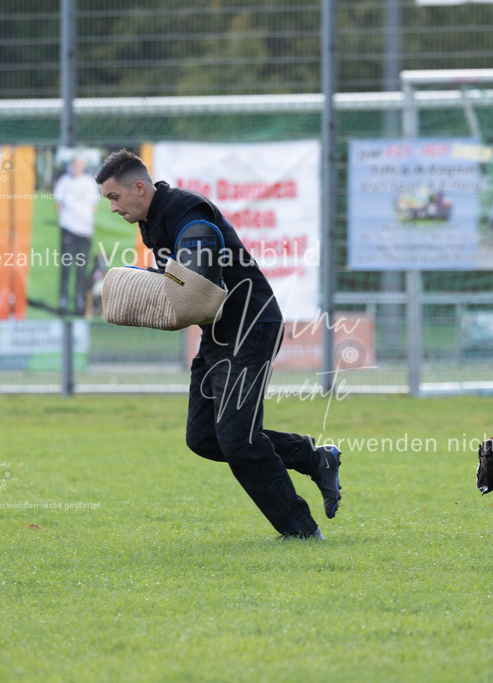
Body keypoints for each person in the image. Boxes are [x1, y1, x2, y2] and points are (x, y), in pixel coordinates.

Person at [94, 149, 341, 540]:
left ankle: (301, 531)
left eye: (113, 197)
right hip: (220, 334)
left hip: (251, 327)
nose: (111, 207)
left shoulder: (185, 209)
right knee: (204, 438)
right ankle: (314, 456)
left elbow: (198, 272)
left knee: (238, 441)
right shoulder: (152, 220)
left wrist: (171, 282)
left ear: (138, 187)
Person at [53, 155, 101, 314]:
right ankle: (63, 301)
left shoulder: (89, 182)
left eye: (79, 165)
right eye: (74, 165)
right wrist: (65, 222)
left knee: (82, 268)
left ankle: (80, 301)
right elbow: (58, 203)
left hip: (84, 231)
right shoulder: (64, 182)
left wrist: (84, 221)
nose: (76, 168)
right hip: (68, 229)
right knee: (66, 266)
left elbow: (93, 205)